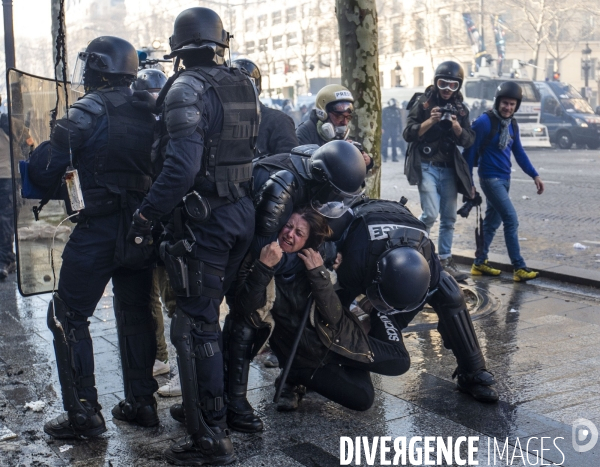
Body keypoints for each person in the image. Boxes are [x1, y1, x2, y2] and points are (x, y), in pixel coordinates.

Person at [126, 8, 259, 465]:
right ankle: (212, 407)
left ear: (179, 48)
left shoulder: (186, 87)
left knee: (195, 326)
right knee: (215, 317)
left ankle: (212, 438)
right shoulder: (243, 80)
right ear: (219, 42)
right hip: (241, 213)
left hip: (208, 219)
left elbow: (181, 167)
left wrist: (146, 215)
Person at [27, 36, 159, 439]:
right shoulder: (148, 111)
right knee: (136, 316)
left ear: (97, 69)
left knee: (66, 317)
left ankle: (84, 413)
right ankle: (143, 404)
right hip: (141, 229)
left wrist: (40, 155)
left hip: (99, 229)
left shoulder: (90, 108)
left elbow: (48, 166)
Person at [235, 206, 411, 412]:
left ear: (307, 241)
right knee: (363, 399)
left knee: (400, 361)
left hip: (340, 338)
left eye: (299, 233)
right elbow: (246, 308)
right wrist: (264, 267)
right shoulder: (265, 258)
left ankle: (378, 313)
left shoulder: (313, 261)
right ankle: (294, 376)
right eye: (288, 226)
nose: (290, 234)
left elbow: (334, 317)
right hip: (306, 360)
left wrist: (318, 273)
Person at [334, 198, 499, 402]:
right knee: (329, 292)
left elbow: (425, 294)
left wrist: (388, 320)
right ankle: (302, 369)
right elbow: (331, 298)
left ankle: (473, 373)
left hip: (399, 235)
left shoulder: (430, 267)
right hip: (364, 228)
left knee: (450, 292)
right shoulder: (355, 259)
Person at [403, 61, 475, 282]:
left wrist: (456, 125)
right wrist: (430, 121)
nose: (446, 90)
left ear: (458, 87)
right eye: (443, 83)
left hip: (449, 168)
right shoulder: (423, 103)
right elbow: (408, 133)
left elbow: (469, 140)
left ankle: (445, 260)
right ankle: (416, 254)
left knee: (450, 217)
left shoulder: (461, 109)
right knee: (431, 213)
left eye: (452, 85)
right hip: (426, 166)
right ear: (435, 82)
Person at [465, 81, 544, 282]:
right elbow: (470, 152)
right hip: (489, 178)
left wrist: (534, 175)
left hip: (505, 179)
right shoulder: (484, 122)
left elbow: (519, 152)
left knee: (491, 223)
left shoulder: (512, 124)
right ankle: (519, 267)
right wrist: (469, 184)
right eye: (505, 103)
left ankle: (479, 263)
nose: (508, 107)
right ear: (498, 102)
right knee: (511, 219)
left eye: (512, 104)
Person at [231, 58, 298, 156]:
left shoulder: (278, 121)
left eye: (245, 85)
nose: (239, 91)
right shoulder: (220, 122)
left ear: (256, 87)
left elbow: (290, 162)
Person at [0, 108, 16, 280]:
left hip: (4, 176)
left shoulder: (5, 121)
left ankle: (6, 260)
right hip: (5, 175)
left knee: (4, 219)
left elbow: (27, 141)